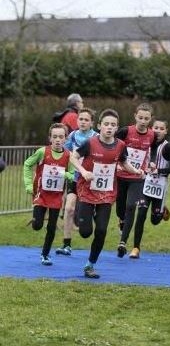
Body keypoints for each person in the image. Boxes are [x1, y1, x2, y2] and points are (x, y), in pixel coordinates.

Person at [71, 108, 144, 279]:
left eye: (113, 125)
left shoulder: (120, 145)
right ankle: (81, 214)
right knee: (85, 232)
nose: (109, 127)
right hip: (87, 190)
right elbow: (73, 157)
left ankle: (90, 265)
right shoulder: (90, 143)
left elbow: (124, 163)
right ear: (100, 126)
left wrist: (136, 171)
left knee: (102, 230)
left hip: (106, 194)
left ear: (116, 127)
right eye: (106, 124)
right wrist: (83, 171)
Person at [124, 118, 170, 259]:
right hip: (144, 184)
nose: (158, 131)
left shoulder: (167, 148)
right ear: (151, 128)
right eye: (156, 127)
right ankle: (136, 248)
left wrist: (160, 171)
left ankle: (161, 211)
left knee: (154, 220)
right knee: (141, 214)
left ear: (166, 131)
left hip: (160, 186)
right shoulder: (145, 143)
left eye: (162, 128)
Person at [24, 123, 74, 266]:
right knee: (37, 225)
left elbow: (72, 173)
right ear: (50, 138)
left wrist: (65, 174)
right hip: (41, 194)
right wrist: (28, 184)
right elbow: (27, 164)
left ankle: (45, 255)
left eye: (61, 137)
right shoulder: (42, 152)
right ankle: (36, 220)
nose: (58, 140)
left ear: (65, 139)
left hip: (56, 197)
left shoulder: (68, 155)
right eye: (55, 137)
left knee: (51, 227)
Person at [56, 108, 97, 255]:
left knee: (89, 214)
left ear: (92, 122)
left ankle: (96, 240)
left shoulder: (96, 137)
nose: (83, 122)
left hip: (90, 180)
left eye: (86, 120)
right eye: (81, 119)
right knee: (69, 208)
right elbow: (64, 153)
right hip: (75, 178)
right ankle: (66, 244)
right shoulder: (73, 135)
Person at [116, 103, 155, 258]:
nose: (143, 121)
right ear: (135, 116)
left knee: (131, 206)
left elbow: (155, 149)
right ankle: (121, 221)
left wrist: (151, 162)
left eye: (146, 118)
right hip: (120, 175)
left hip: (137, 177)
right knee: (120, 209)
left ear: (150, 119)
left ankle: (122, 243)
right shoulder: (126, 131)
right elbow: (112, 144)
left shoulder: (152, 135)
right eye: (140, 118)